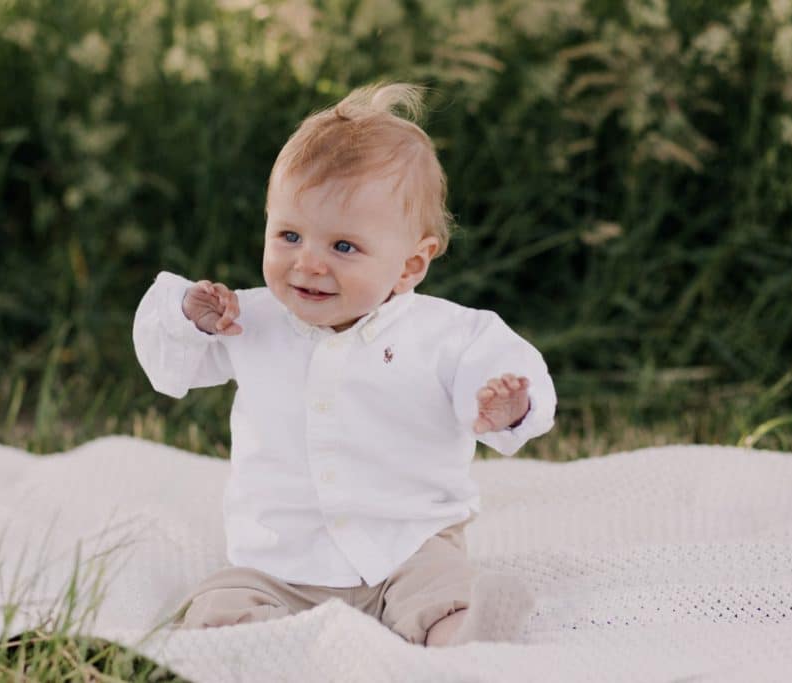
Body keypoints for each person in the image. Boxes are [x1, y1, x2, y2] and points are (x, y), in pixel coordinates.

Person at [133, 82, 556, 646]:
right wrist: (189, 317)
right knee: (219, 606)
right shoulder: (249, 319)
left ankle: (465, 632)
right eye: (288, 235)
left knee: (442, 590)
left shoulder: (445, 334)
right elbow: (170, 362)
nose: (307, 263)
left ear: (410, 265)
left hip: (407, 547)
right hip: (282, 563)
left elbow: (500, 365)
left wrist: (506, 404)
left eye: (343, 247)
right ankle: (276, 646)